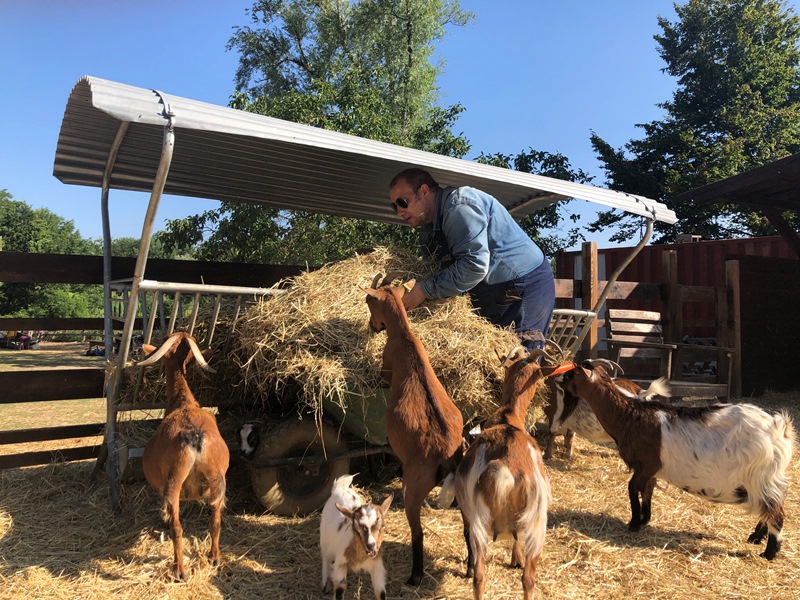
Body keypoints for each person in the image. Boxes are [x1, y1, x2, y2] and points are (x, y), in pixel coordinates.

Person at [388, 167, 555, 350]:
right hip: (489, 288)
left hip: (522, 284)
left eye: (402, 202)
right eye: (394, 206)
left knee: (518, 362)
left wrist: (424, 290)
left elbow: (473, 266)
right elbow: (436, 270)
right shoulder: (428, 230)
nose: (399, 211)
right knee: (490, 359)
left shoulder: (459, 207)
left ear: (424, 191)